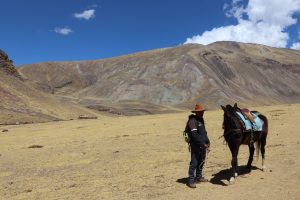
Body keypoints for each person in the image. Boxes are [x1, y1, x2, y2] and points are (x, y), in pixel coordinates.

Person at [185, 103, 210, 188]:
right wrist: (202, 144)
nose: (202, 113)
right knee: (194, 162)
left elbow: (204, 133)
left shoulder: (201, 120)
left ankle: (199, 177)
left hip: (203, 144)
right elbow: (194, 135)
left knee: (201, 161)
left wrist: (207, 141)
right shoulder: (192, 121)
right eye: (200, 111)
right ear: (196, 112)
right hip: (195, 145)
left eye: (202, 111)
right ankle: (191, 180)